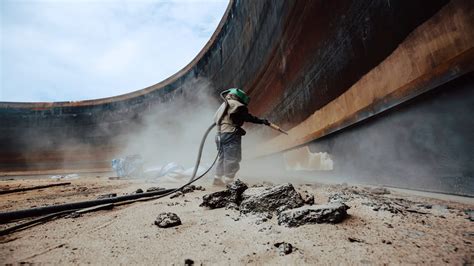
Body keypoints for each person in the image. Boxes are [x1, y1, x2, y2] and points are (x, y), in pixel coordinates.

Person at [213, 88, 270, 186]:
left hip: (219, 135)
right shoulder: (237, 105)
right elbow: (247, 117)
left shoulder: (224, 104)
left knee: (222, 157)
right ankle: (229, 181)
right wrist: (261, 121)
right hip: (230, 135)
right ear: (240, 98)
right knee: (232, 157)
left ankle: (217, 179)